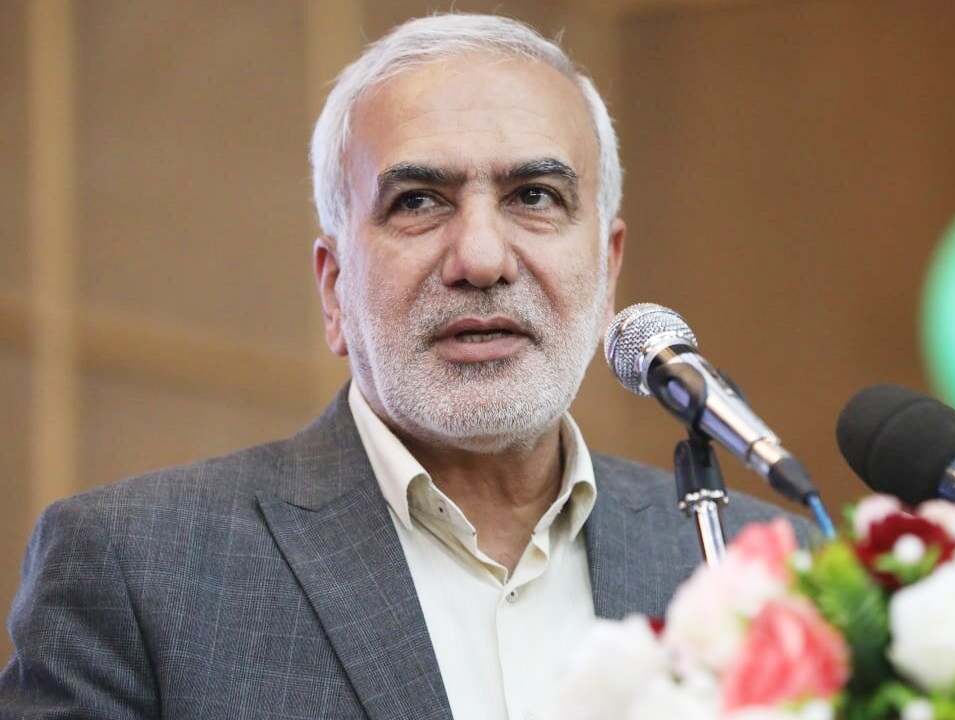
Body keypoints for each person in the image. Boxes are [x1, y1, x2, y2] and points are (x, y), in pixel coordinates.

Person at [0, 13, 797, 720]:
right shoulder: (137, 570)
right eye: (417, 201)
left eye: (534, 196)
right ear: (334, 288)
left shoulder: (762, 567)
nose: (481, 259)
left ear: (608, 270)